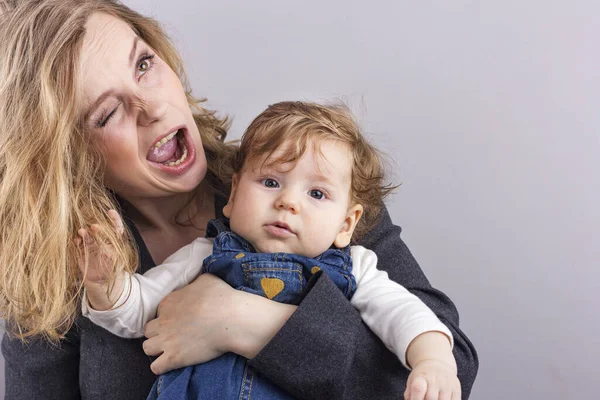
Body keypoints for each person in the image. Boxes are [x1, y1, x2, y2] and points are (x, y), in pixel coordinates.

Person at [0, 1, 478, 399]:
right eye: (107, 113)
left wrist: (242, 322)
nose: (153, 107)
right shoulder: (53, 267)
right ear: (61, 154)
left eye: (144, 64)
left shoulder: (313, 185)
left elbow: (451, 365)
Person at [80, 101, 460, 400]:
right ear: (232, 196)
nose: (288, 202)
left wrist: (433, 361)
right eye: (270, 180)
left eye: (316, 193)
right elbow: (137, 311)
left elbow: (407, 316)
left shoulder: (356, 268)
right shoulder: (205, 254)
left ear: (346, 224)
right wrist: (106, 285)